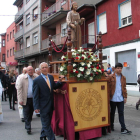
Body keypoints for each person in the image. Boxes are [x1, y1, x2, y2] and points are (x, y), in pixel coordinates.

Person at [33, 62, 64, 140]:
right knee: (46, 124)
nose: (44, 69)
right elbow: (35, 95)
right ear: (40, 69)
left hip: (50, 105)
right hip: (42, 106)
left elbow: (53, 86)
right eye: (43, 67)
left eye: (45, 67)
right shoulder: (37, 80)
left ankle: (42, 136)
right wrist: (36, 107)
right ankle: (52, 138)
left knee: (47, 123)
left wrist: (60, 81)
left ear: (48, 68)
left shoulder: (50, 77)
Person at [108, 63, 132, 134]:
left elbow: (124, 88)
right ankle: (111, 126)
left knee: (121, 113)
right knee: (112, 113)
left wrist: (125, 97)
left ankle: (123, 128)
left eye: (121, 68)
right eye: (118, 68)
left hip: (120, 98)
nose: (119, 69)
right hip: (113, 98)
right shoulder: (110, 77)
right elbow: (108, 88)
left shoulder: (123, 78)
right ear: (115, 69)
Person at [18, 66, 38, 134]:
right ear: (26, 71)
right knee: (26, 112)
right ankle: (28, 127)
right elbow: (19, 89)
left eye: (32, 70)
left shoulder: (36, 77)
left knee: (31, 112)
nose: (31, 71)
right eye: (29, 70)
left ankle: (28, 122)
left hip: (34, 98)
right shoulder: (22, 78)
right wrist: (20, 99)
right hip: (25, 99)